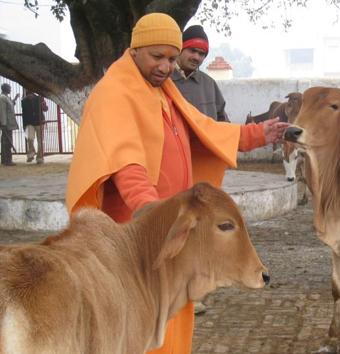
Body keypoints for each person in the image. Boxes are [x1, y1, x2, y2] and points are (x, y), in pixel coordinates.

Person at [65, 13, 288, 354]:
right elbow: (126, 162)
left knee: (173, 318)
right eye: (157, 56)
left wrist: (258, 133)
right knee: (142, 324)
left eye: (171, 58)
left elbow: (202, 129)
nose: (166, 67)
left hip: (173, 231)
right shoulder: (115, 93)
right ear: (134, 49)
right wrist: (154, 213)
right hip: (140, 235)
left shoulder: (162, 91)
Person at [172, 25, 230, 122]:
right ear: (180, 49)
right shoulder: (163, 80)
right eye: (192, 50)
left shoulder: (209, 84)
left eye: (201, 54)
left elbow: (223, 121)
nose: (196, 57)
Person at [21, 90, 48, 164]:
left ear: (33, 93)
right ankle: (31, 153)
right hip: (29, 123)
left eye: (30, 94)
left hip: (39, 122)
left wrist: (43, 105)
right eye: (28, 95)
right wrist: (24, 125)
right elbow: (24, 114)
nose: (29, 96)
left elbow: (45, 109)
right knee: (30, 139)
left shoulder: (40, 98)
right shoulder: (23, 101)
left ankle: (40, 157)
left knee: (40, 141)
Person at [0, 83, 19, 166]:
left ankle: (5, 159)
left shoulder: (6, 97)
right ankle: (7, 160)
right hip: (6, 124)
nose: (10, 89)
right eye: (9, 88)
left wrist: (15, 98)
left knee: (6, 141)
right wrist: (3, 124)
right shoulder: (2, 98)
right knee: (7, 142)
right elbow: (2, 111)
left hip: (8, 124)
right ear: (5, 89)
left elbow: (10, 105)